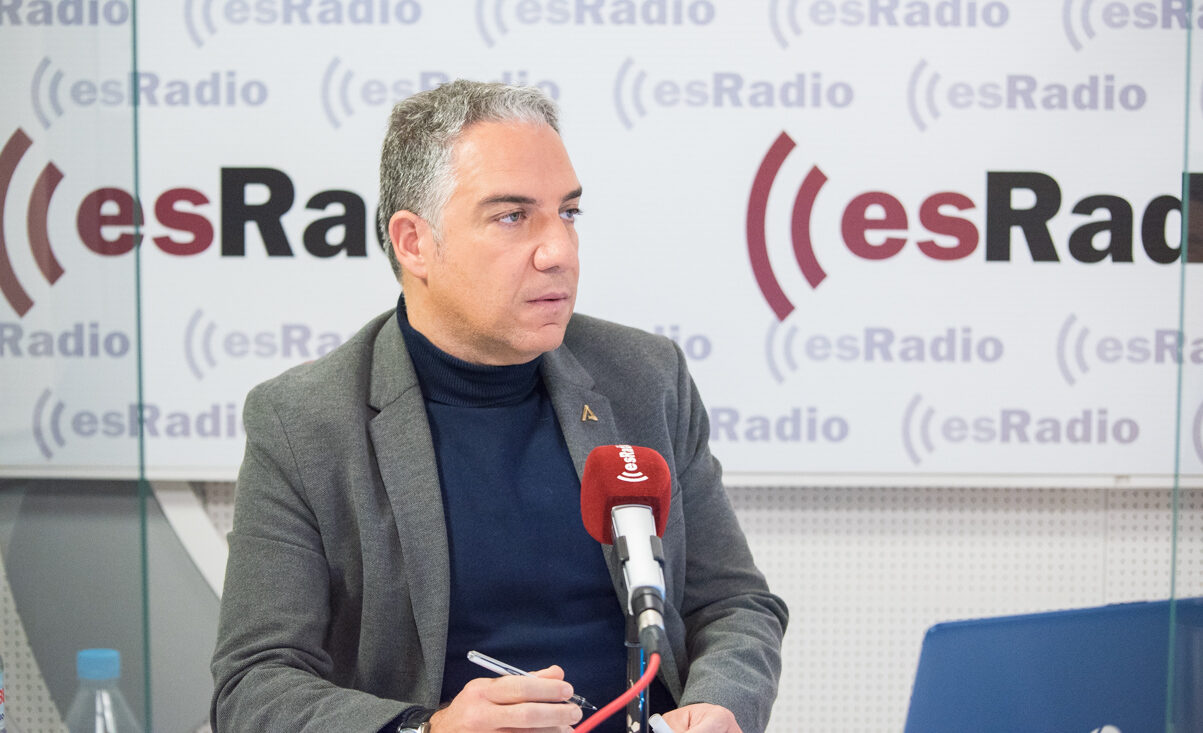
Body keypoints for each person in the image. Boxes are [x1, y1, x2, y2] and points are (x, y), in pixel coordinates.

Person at [210, 80, 787, 733]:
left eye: (568, 212)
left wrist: (721, 705)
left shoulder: (645, 377)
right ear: (413, 242)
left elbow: (734, 603)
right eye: (513, 216)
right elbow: (254, 684)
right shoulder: (303, 422)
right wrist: (426, 729)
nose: (559, 251)